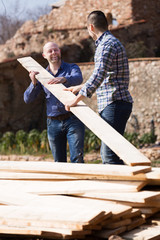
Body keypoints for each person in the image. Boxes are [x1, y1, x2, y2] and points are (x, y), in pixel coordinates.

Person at [64, 11, 133, 165]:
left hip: (114, 103)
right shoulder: (109, 42)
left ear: (91, 27)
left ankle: (123, 188)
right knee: (111, 154)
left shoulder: (106, 44)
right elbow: (108, 76)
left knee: (108, 156)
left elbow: (99, 75)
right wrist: (78, 87)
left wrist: (77, 99)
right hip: (114, 103)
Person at [24, 42, 85, 163]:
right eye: (50, 51)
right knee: (58, 161)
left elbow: (79, 78)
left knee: (77, 159)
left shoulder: (71, 68)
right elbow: (27, 99)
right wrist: (34, 83)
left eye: (56, 50)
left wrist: (65, 79)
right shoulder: (41, 76)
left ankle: (80, 182)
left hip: (73, 119)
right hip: (53, 123)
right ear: (44, 55)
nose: (54, 53)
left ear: (60, 52)